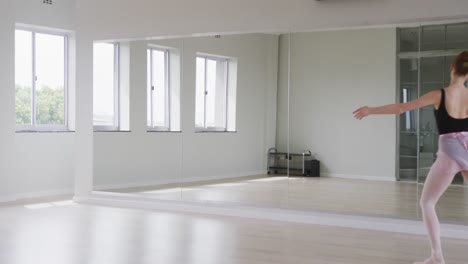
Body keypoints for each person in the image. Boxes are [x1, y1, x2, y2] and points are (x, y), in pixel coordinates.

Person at [353, 51, 468, 264]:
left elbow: (401, 108)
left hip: (449, 152)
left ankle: (437, 256)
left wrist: (371, 110)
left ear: (452, 68)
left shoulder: (439, 95)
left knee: (427, 203)